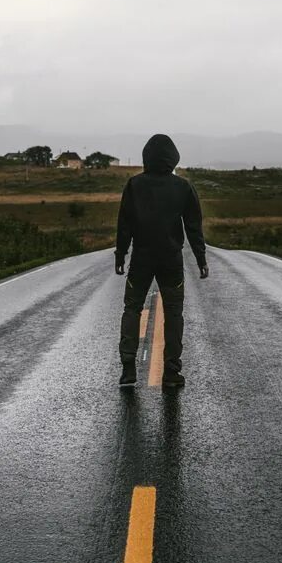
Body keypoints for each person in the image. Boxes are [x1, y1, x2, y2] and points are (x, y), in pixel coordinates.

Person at [115, 133, 208, 388]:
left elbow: (124, 225)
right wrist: (201, 258)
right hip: (171, 260)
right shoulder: (183, 187)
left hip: (141, 260)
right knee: (174, 313)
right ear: (173, 158)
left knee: (132, 309)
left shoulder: (134, 185)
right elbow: (193, 228)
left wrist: (120, 254)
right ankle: (171, 371)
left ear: (147, 156)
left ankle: (128, 368)